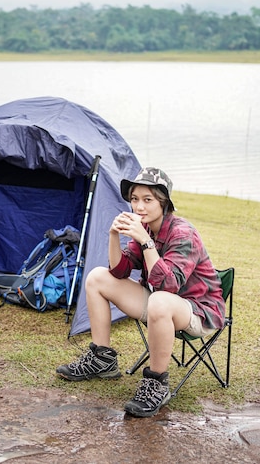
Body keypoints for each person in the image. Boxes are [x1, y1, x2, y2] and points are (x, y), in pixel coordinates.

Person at [56, 167, 225, 417]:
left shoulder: (182, 233)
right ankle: (102, 359)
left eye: (148, 200)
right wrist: (114, 235)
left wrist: (146, 243)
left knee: (159, 300)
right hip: (162, 304)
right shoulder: (146, 230)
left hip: (198, 311)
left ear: (164, 203)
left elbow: (169, 285)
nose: (139, 207)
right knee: (97, 278)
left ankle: (157, 383)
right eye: (135, 199)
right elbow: (119, 271)